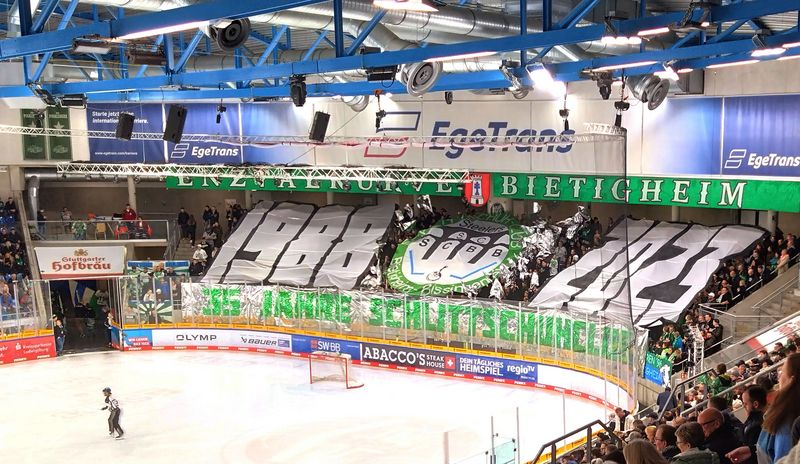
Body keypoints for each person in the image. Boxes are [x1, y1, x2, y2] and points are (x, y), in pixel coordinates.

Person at [728, 354, 800, 464]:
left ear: (791, 380)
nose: (779, 377)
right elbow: (772, 447)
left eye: (782, 372)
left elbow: (784, 457)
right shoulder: (783, 411)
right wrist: (753, 451)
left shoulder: (787, 418)